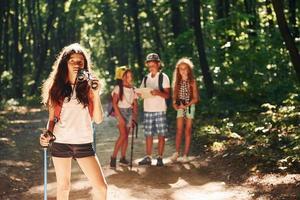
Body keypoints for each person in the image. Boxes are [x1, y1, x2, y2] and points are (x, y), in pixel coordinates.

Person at [39, 43, 107, 200]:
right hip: (61, 142)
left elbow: (98, 119)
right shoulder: (55, 88)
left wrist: (96, 94)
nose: (77, 64)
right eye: (72, 61)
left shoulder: (89, 87)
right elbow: (51, 120)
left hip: (83, 143)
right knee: (63, 188)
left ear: (85, 64)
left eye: (80, 61)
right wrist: (47, 135)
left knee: (101, 188)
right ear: (65, 64)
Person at [137, 53, 170, 167]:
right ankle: (148, 157)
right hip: (148, 109)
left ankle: (160, 157)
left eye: (153, 65)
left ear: (158, 64)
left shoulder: (163, 77)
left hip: (160, 109)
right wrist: (139, 94)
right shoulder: (146, 78)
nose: (151, 67)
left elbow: (167, 95)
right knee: (148, 135)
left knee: (161, 134)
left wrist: (157, 92)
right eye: (149, 65)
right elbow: (141, 93)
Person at [170, 58, 199, 163]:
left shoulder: (192, 82)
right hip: (180, 107)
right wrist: (175, 105)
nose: (182, 71)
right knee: (179, 130)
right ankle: (177, 153)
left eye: (185, 68)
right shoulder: (177, 82)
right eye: (180, 69)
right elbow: (174, 99)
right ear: (178, 70)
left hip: (190, 107)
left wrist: (187, 104)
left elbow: (196, 98)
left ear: (189, 70)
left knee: (188, 130)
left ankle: (185, 155)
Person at [110, 67, 138, 168]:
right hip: (120, 112)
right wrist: (119, 117)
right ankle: (113, 157)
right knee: (123, 135)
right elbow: (114, 103)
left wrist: (134, 116)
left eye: (130, 76)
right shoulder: (118, 88)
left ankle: (122, 158)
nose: (128, 78)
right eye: (126, 76)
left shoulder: (133, 89)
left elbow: (135, 104)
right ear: (122, 77)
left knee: (126, 137)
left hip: (129, 113)